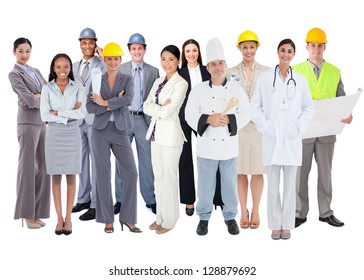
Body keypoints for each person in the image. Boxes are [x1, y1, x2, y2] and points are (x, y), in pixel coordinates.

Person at [250, 39, 315, 240]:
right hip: (271, 139)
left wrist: (298, 128)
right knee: (272, 187)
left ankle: (286, 225)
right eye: (282, 50)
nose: (285, 54)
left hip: (291, 140)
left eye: (289, 51)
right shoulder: (265, 78)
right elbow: (255, 106)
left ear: (294, 54)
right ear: (277, 52)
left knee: (289, 187)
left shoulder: (301, 80)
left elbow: (309, 108)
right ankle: (274, 225)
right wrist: (267, 127)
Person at [185, 38, 251, 236]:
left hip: (229, 148)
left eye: (221, 63)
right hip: (206, 147)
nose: (218, 67)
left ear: (226, 65)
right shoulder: (198, 90)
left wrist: (229, 119)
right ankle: (203, 218)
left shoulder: (235, 89)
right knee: (205, 186)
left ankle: (230, 217)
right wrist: (207, 119)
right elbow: (189, 114)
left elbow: (246, 114)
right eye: (213, 64)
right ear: (208, 68)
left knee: (229, 185)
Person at [293, 28, 353, 228]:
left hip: (327, 130)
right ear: (307, 46)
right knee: (300, 174)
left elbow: (341, 98)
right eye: (313, 45)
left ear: (324, 46)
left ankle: (325, 212)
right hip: (303, 131)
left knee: (325, 173)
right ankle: (299, 213)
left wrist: (347, 114)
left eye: (320, 45)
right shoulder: (296, 70)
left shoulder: (334, 71)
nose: (316, 49)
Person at [86, 42, 141, 234]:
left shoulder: (127, 79)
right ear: (105, 60)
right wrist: (114, 102)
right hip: (99, 131)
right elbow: (90, 106)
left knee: (131, 174)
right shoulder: (96, 78)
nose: (112, 62)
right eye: (109, 58)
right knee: (102, 175)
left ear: (120, 60)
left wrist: (106, 102)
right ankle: (107, 219)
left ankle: (128, 218)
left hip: (120, 130)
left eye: (116, 59)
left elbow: (129, 99)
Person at [226, 30, 270, 229]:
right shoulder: (230, 72)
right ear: (239, 49)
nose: (249, 51)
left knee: (258, 171)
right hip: (240, 127)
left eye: (252, 47)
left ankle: (256, 210)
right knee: (241, 171)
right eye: (245, 47)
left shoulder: (268, 72)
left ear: (257, 48)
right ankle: (243, 210)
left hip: (259, 128)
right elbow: (227, 97)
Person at [40, 53, 86, 235]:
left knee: (71, 176)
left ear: (70, 68)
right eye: (58, 67)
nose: (62, 70)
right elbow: (44, 115)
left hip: (72, 134)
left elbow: (82, 113)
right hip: (54, 135)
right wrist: (69, 112)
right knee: (56, 176)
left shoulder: (78, 87)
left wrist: (58, 113)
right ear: (53, 68)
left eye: (66, 66)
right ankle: (59, 218)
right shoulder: (47, 88)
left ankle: (69, 218)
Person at [144, 45, 188, 234]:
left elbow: (169, 112)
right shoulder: (158, 81)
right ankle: (160, 217)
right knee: (159, 178)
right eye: (163, 58)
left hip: (171, 137)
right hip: (155, 134)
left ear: (178, 61)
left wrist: (159, 107)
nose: (167, 63)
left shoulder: (181, 83)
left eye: (171, 59)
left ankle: (170, 221)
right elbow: (146, 105)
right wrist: (160, 106)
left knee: (169, 178)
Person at [114, 33, 159, 215]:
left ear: (145, 50)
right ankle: (120, 199)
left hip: (143, 120)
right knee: (121, 161)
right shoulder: (121, 68)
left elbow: (156, 95)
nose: (137, 51)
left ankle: (150, 198)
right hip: (124, 118)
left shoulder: (153, 71)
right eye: (134, 48)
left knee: (147, 162)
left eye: (140, 48)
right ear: (129, 50)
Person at [9, 37, 51, 229]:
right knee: (27, 168)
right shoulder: (14, 74)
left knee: (44, 167)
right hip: (27, 123)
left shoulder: (36, 71)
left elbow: (49, 94)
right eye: (21, 51)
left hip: (42, 122)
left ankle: (38, 212)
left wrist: (39, 97)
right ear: (14, 52)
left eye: (27, 51)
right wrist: (35, 98)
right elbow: (30, 99)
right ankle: (27, 215)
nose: (24, 55)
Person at [178, 39, 223, 216]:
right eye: (188, 51)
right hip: (183, 119)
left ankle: (218, 198)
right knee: (185, 160)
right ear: (184, 53)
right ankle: (189, 199)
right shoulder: (179, 73)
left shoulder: (207, 70)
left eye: (194, 50)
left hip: (205, 118)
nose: (191, 54)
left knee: (212, 157)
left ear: (199, 52)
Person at [72, 27, 106, 221]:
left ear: (95, 45)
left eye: (90, 43)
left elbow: (112, 73)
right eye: (84, 43)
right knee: (81, 160)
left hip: (95, 120)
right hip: (78, 119)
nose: (87, 46)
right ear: (80, 45)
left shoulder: (101, 64)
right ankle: (83, 198)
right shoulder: (74, 66)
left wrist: (102, 58)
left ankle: (96, 204)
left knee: (97, 162)